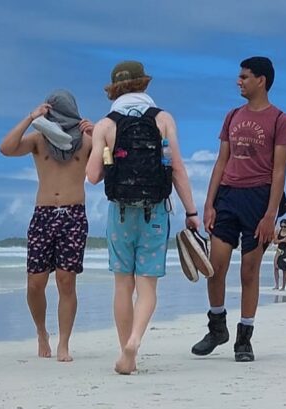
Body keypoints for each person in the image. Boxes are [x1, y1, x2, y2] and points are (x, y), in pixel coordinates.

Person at [85, 60, 200, 375]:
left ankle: (127, 354)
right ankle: (136, 339)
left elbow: (93, 176)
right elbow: (177, 168)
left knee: (122, 284)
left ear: (114, 88)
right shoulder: (163, 119)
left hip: (120, 213)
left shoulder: (106, 124)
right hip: (156, 211)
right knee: (147, 286)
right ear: (144, 84)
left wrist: (99, 144)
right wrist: (191, 212)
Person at [192, 57, 286, 362]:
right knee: (215, 266)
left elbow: (279, 171)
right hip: (228, 196)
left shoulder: (280, 120)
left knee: (249, 272)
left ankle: (244, 338)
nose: (239, 81)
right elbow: (221, 161)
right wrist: (209, 203)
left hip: (259, 198)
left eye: (244, 77)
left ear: (261, 80)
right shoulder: (232, 115)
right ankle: (217, 326)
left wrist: (270, 216)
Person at [0, 90, 93, 362]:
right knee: (35, 284)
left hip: (73, 214)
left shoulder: (87, 141)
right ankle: (42, 332)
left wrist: (99, 131)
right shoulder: (39, 139)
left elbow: (111, 161)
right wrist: (30, 118)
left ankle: (64, 343)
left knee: (66, 281)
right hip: (43, 214)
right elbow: (6, 148)